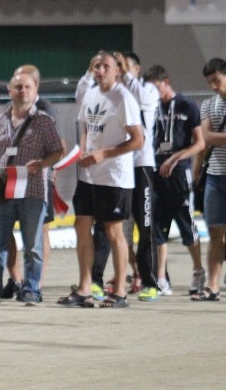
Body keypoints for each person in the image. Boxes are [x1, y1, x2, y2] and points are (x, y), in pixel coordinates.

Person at [58, 52, 143, 309]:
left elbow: (138, 139)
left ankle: (119, 292)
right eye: (97, 66)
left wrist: (104, 153)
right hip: (89, 175)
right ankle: (85, 288)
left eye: (106, 66)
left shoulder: (123, 98)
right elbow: (85, 126)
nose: (101, 70)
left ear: (117, 70)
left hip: (114, 176)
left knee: (113, 231)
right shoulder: (90, 94)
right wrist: (84, 150)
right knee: (81, 225)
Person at [0, 72, 63, 306]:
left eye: (27, 87)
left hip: (32, 186)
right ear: (9, 91)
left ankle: (32, 289)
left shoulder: (44, 121)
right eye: (18, 87)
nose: (23, 91)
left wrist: (43, 164)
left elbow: (57, 150)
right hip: (3, 182)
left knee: (32, 243)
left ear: (35, 90)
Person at [144, 65, 207, 297]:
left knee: (187, 226)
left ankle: (198, 271)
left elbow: (200, 143)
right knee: (156, 229)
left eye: (156, 88)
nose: (153, 94)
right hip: (156, 174)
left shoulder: (187, 105)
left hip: (179, 174)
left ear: (166, 82)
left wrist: (175, 158)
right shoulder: (150, 108)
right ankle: (161, 278)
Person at [195, 58, 226, 301]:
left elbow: (211, 136)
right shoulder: (208, 105)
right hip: (215, 176)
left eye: (217, 80)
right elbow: (205, 138)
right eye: (210, 82)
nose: (214, 86)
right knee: (214, 233)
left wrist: (216, 136)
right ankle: (212, 286)